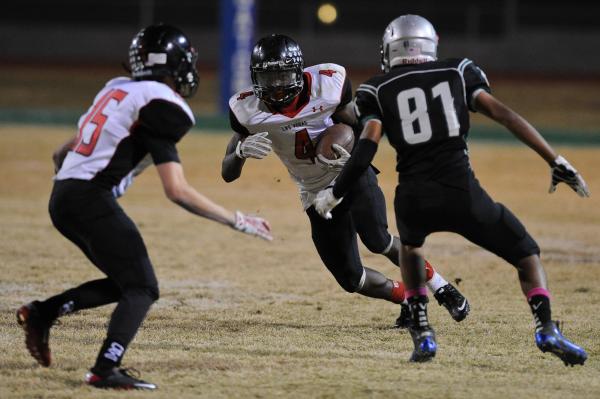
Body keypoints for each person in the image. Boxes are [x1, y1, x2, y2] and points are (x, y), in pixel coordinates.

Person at [313, 15, 590, 364]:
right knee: (526, 254)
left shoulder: (377, 88)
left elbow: (367, 147)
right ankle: (546, 327)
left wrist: (336, 191)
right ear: (431, 44)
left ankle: (423, 333)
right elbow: (505, 115)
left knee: (411, 250)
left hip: (413, 197)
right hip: (462, 191)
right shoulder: (459, 71)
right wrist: (555, 159)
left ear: (390, 49)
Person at [16, 24, 272, 390]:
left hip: (63, 196)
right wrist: (236, 219)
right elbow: (177, 190)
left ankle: (44, 313)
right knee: (143, 288)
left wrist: (84, 187)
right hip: (89, 197)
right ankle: (104, 368)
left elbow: (62, 153)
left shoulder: (116, 89)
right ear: (175, 65)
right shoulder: (163, 105)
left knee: (126, 283)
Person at [221, 34, 469, 329]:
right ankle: (406, 299)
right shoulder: (246, 109)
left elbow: (362, 127)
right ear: (254, 77)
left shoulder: (328, 87)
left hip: (347, 172)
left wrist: (352, 154)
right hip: (312, 191)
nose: (276, 86)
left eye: (283, 75)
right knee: (352, 278)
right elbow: (228, 173)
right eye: (268, 77)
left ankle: (441, 287)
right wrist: (239, 151)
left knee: (378, 239)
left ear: (299, 72)